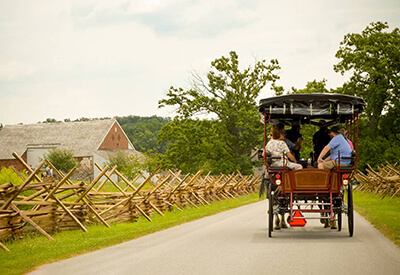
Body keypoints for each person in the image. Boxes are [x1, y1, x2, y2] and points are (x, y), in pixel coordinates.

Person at [264, 125, 302, 230]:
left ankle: (276, 216)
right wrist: (294, 161)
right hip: (284, 164)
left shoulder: (269, 143)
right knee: (299, 167)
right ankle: (296, 185)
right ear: (280, 134)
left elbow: (264, 154)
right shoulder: (282, 143)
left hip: (274, 166)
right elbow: (289, 154)